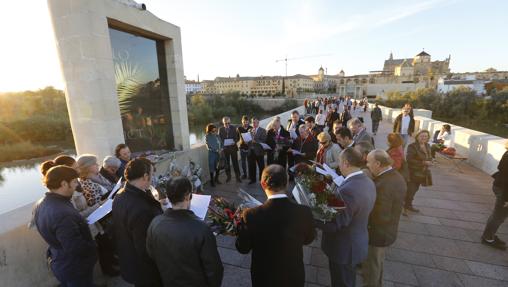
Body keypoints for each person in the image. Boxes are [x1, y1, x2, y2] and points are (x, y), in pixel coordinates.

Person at [236, 164, 316, 287]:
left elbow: (243, 248)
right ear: (287, 183)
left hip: (264, 277)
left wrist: (240, 228)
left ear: (263, 184)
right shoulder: (304, 211)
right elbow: (309, 239)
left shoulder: (251, 215)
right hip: (293, 276)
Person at [146, 177, 224, 287]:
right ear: (187, 196)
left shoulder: (155, 223)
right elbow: (214, 269)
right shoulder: (201, 229)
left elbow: (151, 254)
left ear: (168, 196)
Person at [316, 148, 376, 287]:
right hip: (356, 242)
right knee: (348, 280)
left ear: (346, 163)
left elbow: (335, 225)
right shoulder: (367, 181)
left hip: (344, 248)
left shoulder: (347, 190)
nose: (338, 165)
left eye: (339, 162)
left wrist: (311, 217)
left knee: (342, 282)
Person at [34, 166, 98, 286]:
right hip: (75, 268)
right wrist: (93, 247)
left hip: (60, 261)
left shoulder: (41, 203)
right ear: (63, 184)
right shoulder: (62, 213)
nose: (77, 185)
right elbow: (75, 247)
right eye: (74, 181)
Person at [112, 158, 163, 287]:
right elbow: (146, 248)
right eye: (152, 174)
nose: (153, 177)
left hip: (129, 260)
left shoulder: (120, 195)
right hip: (145, 270)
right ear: (145, 176)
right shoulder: (141, 209)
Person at [363, 150, 407, 287]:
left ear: (378, 163)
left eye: (369, 162)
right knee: (377, 263)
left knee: (372, 265)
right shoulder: (393, 176)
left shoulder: (384, 185)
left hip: (378, 233)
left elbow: (379, 214)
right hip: (385, 230)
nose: (367, 165)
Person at [76, 154, 119, 277]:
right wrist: (109, 196)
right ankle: (108, 269)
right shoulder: (85, 183)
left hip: (110, 211)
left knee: (110, 243)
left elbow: (110, 186)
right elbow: (93, 202)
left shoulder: (98, 175)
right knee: (104, 245)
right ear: (88, 167)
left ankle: (113, 260)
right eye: (95, 164)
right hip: (101, 218)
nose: (98, 165)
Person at [481, 141, 508, 250]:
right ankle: (487, 238)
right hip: (504, 190)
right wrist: (506, 198)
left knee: (498, 215)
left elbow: (500, 167)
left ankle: (490, 234)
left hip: (500, 186)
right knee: (499, 216)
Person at [405, 130, 433, 214]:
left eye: (425, 136)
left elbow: (429, 156)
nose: (424, 138)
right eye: (422, 136)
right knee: (411, 189)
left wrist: (431, 161)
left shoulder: (427, 145)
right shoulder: (412, 146)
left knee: (415, 188)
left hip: (423, 172)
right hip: (413, 171)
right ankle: (407, 205)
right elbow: (409, 159)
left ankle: (407, 204)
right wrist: (423, 162)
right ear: (417, 137)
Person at [218, 116, 242, 183]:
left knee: (235, 163)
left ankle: (238, 177)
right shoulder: (220, 129)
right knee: (227, 164)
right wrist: (223, 143)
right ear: (223, 123)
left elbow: (237, 138)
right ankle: (228, 176)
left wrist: (234, 141)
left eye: (229, 123)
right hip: (225, 149)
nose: (227, 124)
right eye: (226, 123)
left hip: (233, 148)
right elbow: (219, 139)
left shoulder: (234, 128)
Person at [247, 117, 267, 184]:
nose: (254, 124)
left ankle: (262, 180)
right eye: (253, 122)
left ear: (258, 123)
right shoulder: (249, 130)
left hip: (259, 151)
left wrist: (255, 141)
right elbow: (248, 140)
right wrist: (246, 140)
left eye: (255, 122)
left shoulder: (263, 130)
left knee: (261, 166)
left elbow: (263, 140)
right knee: (251, 166)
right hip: (251, 151)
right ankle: (252, 179)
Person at [237, 115, 253, 179]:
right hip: (242, 147)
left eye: (246, 122)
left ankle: (250, 174)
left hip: (249, 147)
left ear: (248, 122)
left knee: (250, 162)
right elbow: (237, 138)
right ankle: (245, 174)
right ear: (242, 122)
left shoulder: (251, 128)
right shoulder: (239, 128)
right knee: (243, 162)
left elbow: (253, 137)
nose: (245, 123)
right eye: (244, 122)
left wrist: (249, 141)